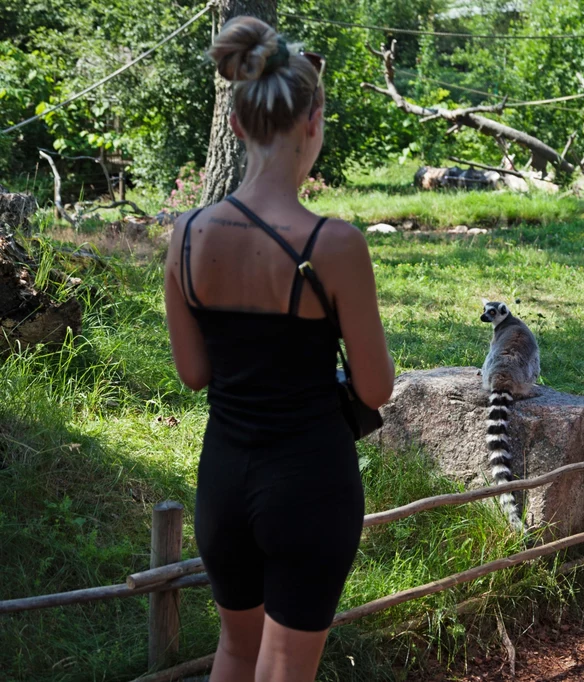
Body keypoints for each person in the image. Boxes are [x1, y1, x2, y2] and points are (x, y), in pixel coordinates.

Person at [164, 17, 394, 682]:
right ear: (314, 121)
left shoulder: (184, 236)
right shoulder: (336, 243)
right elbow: (376, 390)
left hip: (224, 480)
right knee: (288, 670)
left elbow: (193, 373)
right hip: (309, 482)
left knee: (235, 654)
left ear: (236, 126)